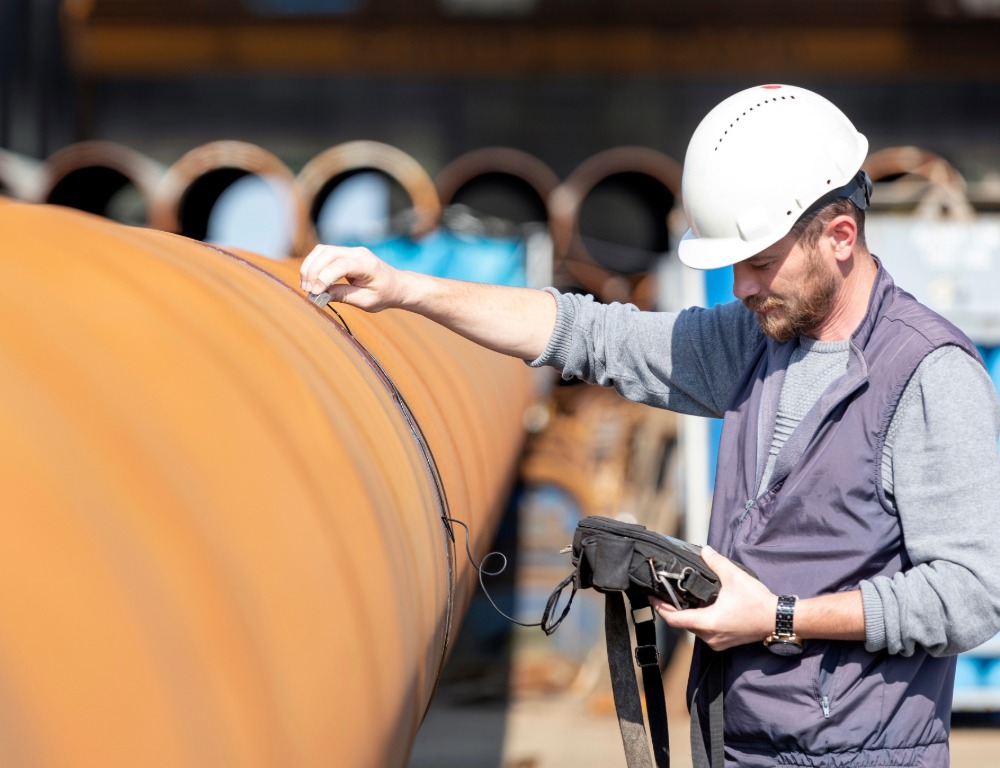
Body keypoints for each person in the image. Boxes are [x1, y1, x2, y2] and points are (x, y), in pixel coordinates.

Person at [299, 84, 1000, 767]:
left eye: (758, 264)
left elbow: (973, 594)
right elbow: (589, 334)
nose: (742, 289)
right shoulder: (754, 343)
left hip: (856, 754)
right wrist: (403, 289)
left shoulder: (928, 374)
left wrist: (781, 617)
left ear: (840, 236)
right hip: (731, 739)